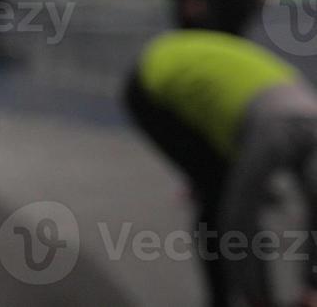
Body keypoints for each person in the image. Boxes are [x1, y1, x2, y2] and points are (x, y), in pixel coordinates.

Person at [125, 30, 317, 307]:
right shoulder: (270, 141)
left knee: (236, 187)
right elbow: (239, 219)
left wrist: (312, 287)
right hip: (152, 78)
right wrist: (260, 298)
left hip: (214, 65)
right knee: (219, 194)